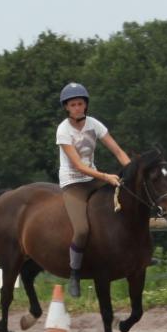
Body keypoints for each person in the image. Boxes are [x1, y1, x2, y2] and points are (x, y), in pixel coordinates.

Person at [55, 82, 130, 298]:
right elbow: (78, 166)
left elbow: (117, 151)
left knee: (128, 204)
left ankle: (135, 255)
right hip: (73, 183)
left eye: (80, 103)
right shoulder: (63, 130)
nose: (77, 107)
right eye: (73, 105)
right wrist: (106, 177)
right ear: (66, 108)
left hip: (93, 179)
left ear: (86, 105)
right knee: (81, 230)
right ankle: (75, 273)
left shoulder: (94, 124)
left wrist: (132, 171)